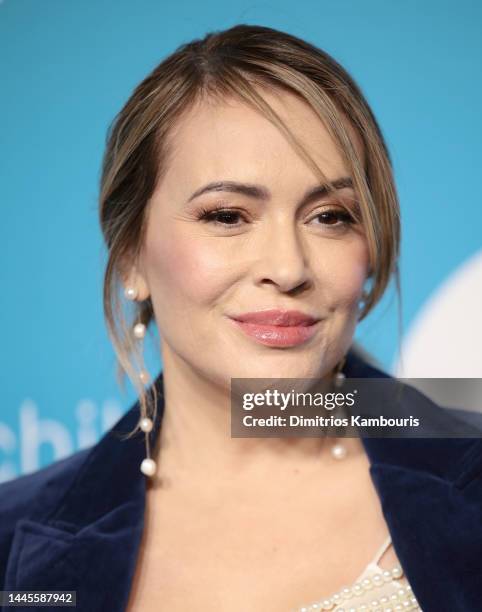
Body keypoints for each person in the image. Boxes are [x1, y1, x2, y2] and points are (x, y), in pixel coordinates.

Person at [1, 24, 481, 612]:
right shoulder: (15, 544)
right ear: (131, 254)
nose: (288, 266)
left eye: (330, 216)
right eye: (227, 215)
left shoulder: (470, 481)